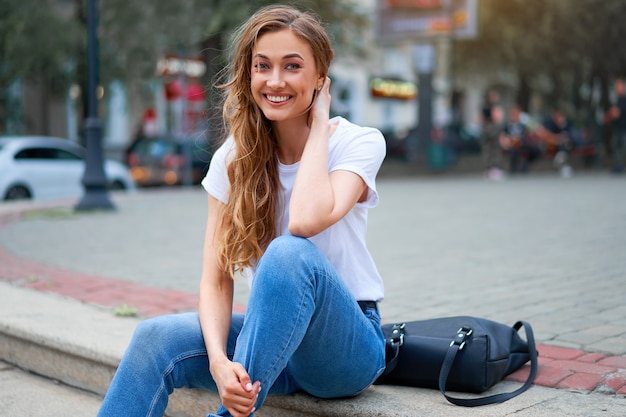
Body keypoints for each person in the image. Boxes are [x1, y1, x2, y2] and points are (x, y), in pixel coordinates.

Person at [97, 5, 387, 417]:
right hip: (271, 337)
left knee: (288, 252)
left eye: (292, 66)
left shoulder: (359, 143)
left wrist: (319, 125)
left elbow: (304, 220)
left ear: (321, 77)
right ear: (248, 74)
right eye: (262, 66)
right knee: (153, 337)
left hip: (344, 348)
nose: (275, 81)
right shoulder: (233, 159)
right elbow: (215, 280)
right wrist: (218, 362)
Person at [500, 106, 542, 173]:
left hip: (523, 144)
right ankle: (513, 172)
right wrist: (507, 141)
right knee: (514, 152)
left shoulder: (523, 124)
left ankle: (525, 165)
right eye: (513, 114)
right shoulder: (507, 125)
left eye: (516, 114)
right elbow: (503, 137)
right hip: (512, 146)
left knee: (535, 150)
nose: (515, 116)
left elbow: (534, 131)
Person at [481, 103, 506, 180]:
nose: (499, 114)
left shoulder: (499, 126)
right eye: (497, 112)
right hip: (491, 164)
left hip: (497, 164)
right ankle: (491, 171)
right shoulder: (489, 126)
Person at [608, 78, 626, 173]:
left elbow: (616, 113)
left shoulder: (624, 100)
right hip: (617, 128)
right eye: (617, 86)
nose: (618, 88)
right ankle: (618, 166)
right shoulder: (616, 99)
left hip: (624, 128)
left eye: (619, 86)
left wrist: (614, 112)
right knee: (616, 146)